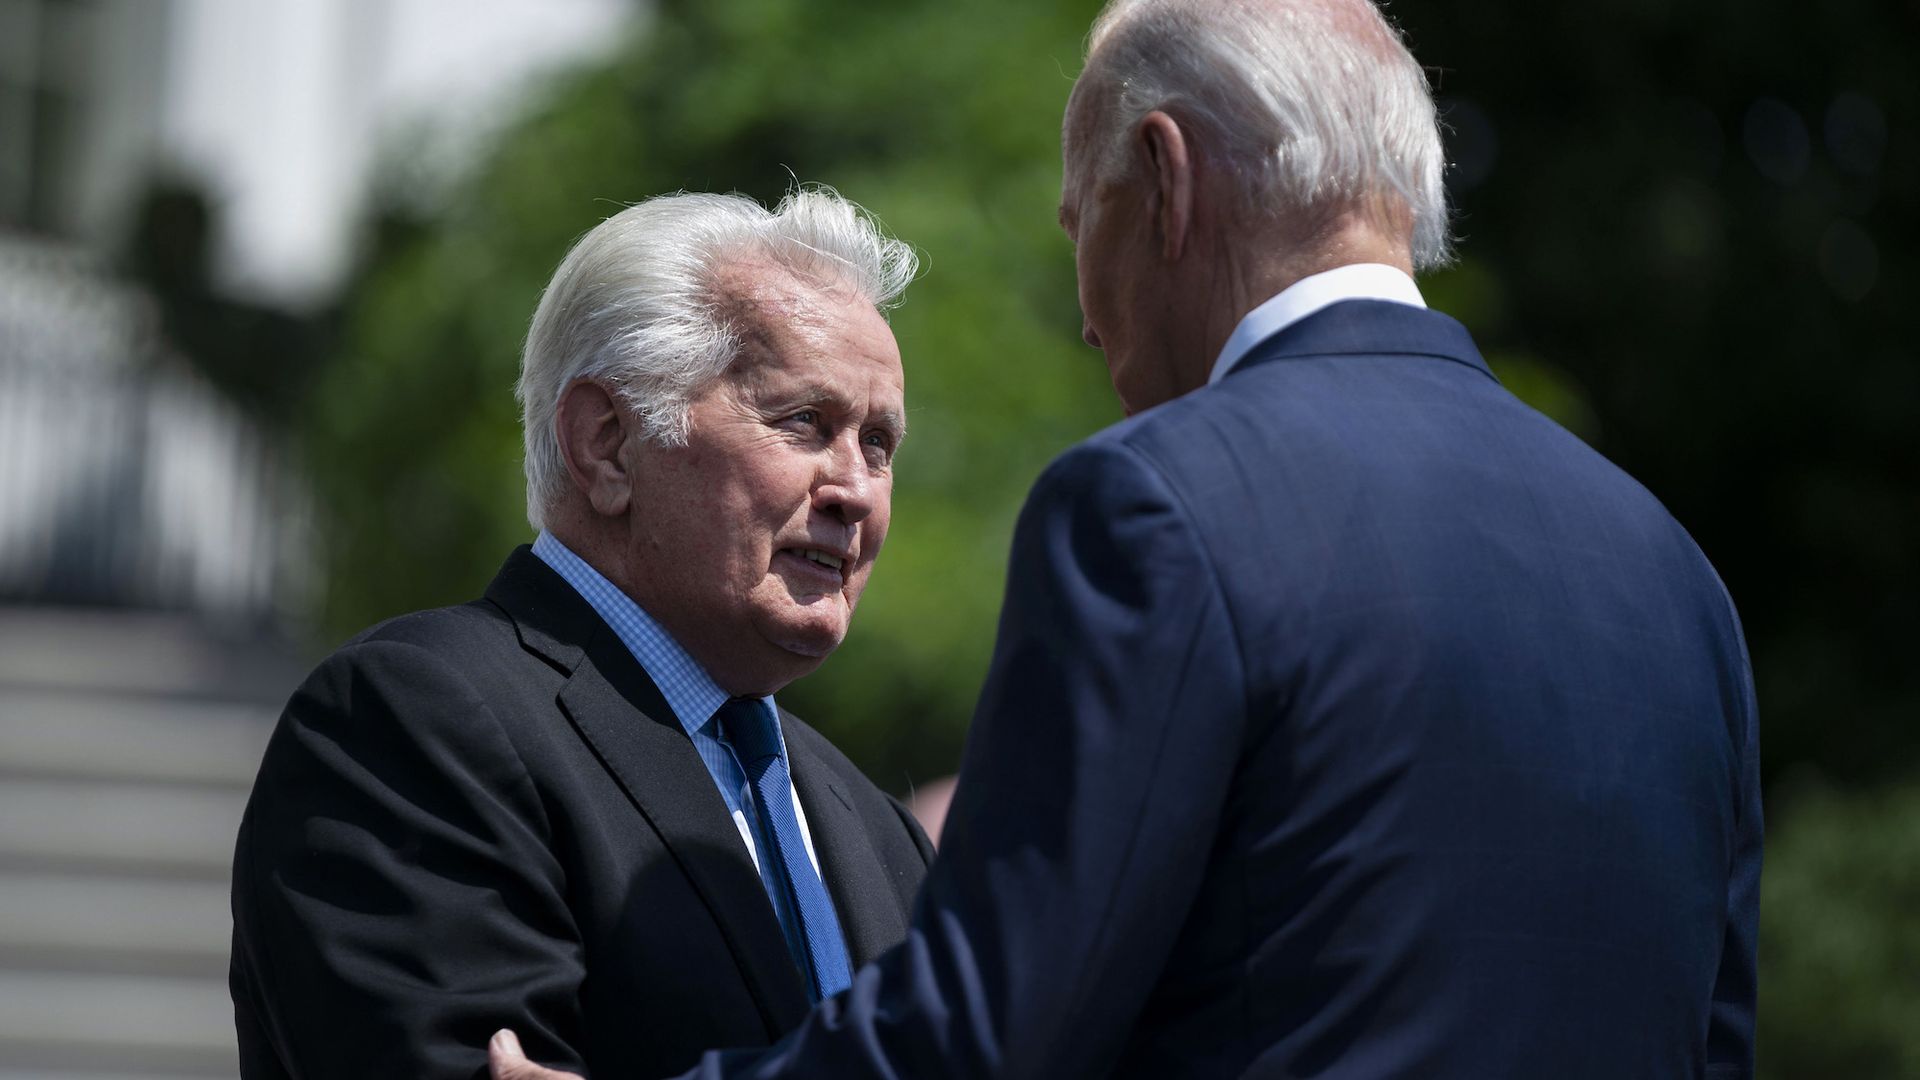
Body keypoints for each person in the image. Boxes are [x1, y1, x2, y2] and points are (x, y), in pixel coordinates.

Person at [491, 0, 1763, 1075]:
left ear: (1164, 181)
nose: (1088, 318)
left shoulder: (1162, 505)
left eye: (1076, 218)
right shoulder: (1677, 578)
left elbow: (994, 1025)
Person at [229, 188, 936, 1079]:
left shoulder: (878, 832)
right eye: (804, 422)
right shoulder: (411, 726)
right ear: (606, 444)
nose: (856, 490)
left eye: (878, 444)